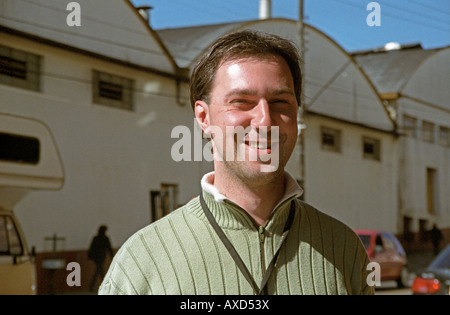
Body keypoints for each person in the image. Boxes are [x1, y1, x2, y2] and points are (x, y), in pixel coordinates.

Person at [99, 30, 374, 295]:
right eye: (242, 102)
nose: (265, 120)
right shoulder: (141, 263)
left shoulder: (344, 250)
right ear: (204, 118)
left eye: (280, 102)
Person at [88, 225, 114, 291]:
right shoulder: (105, 238)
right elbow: (109, 248)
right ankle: (104, 286)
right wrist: (112, 256)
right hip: (101, 256)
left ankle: (94, 287)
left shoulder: (96, 238)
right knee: (99, 271)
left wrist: (90, 256)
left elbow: (91, 248)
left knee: (99, 271)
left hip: (96, 257)